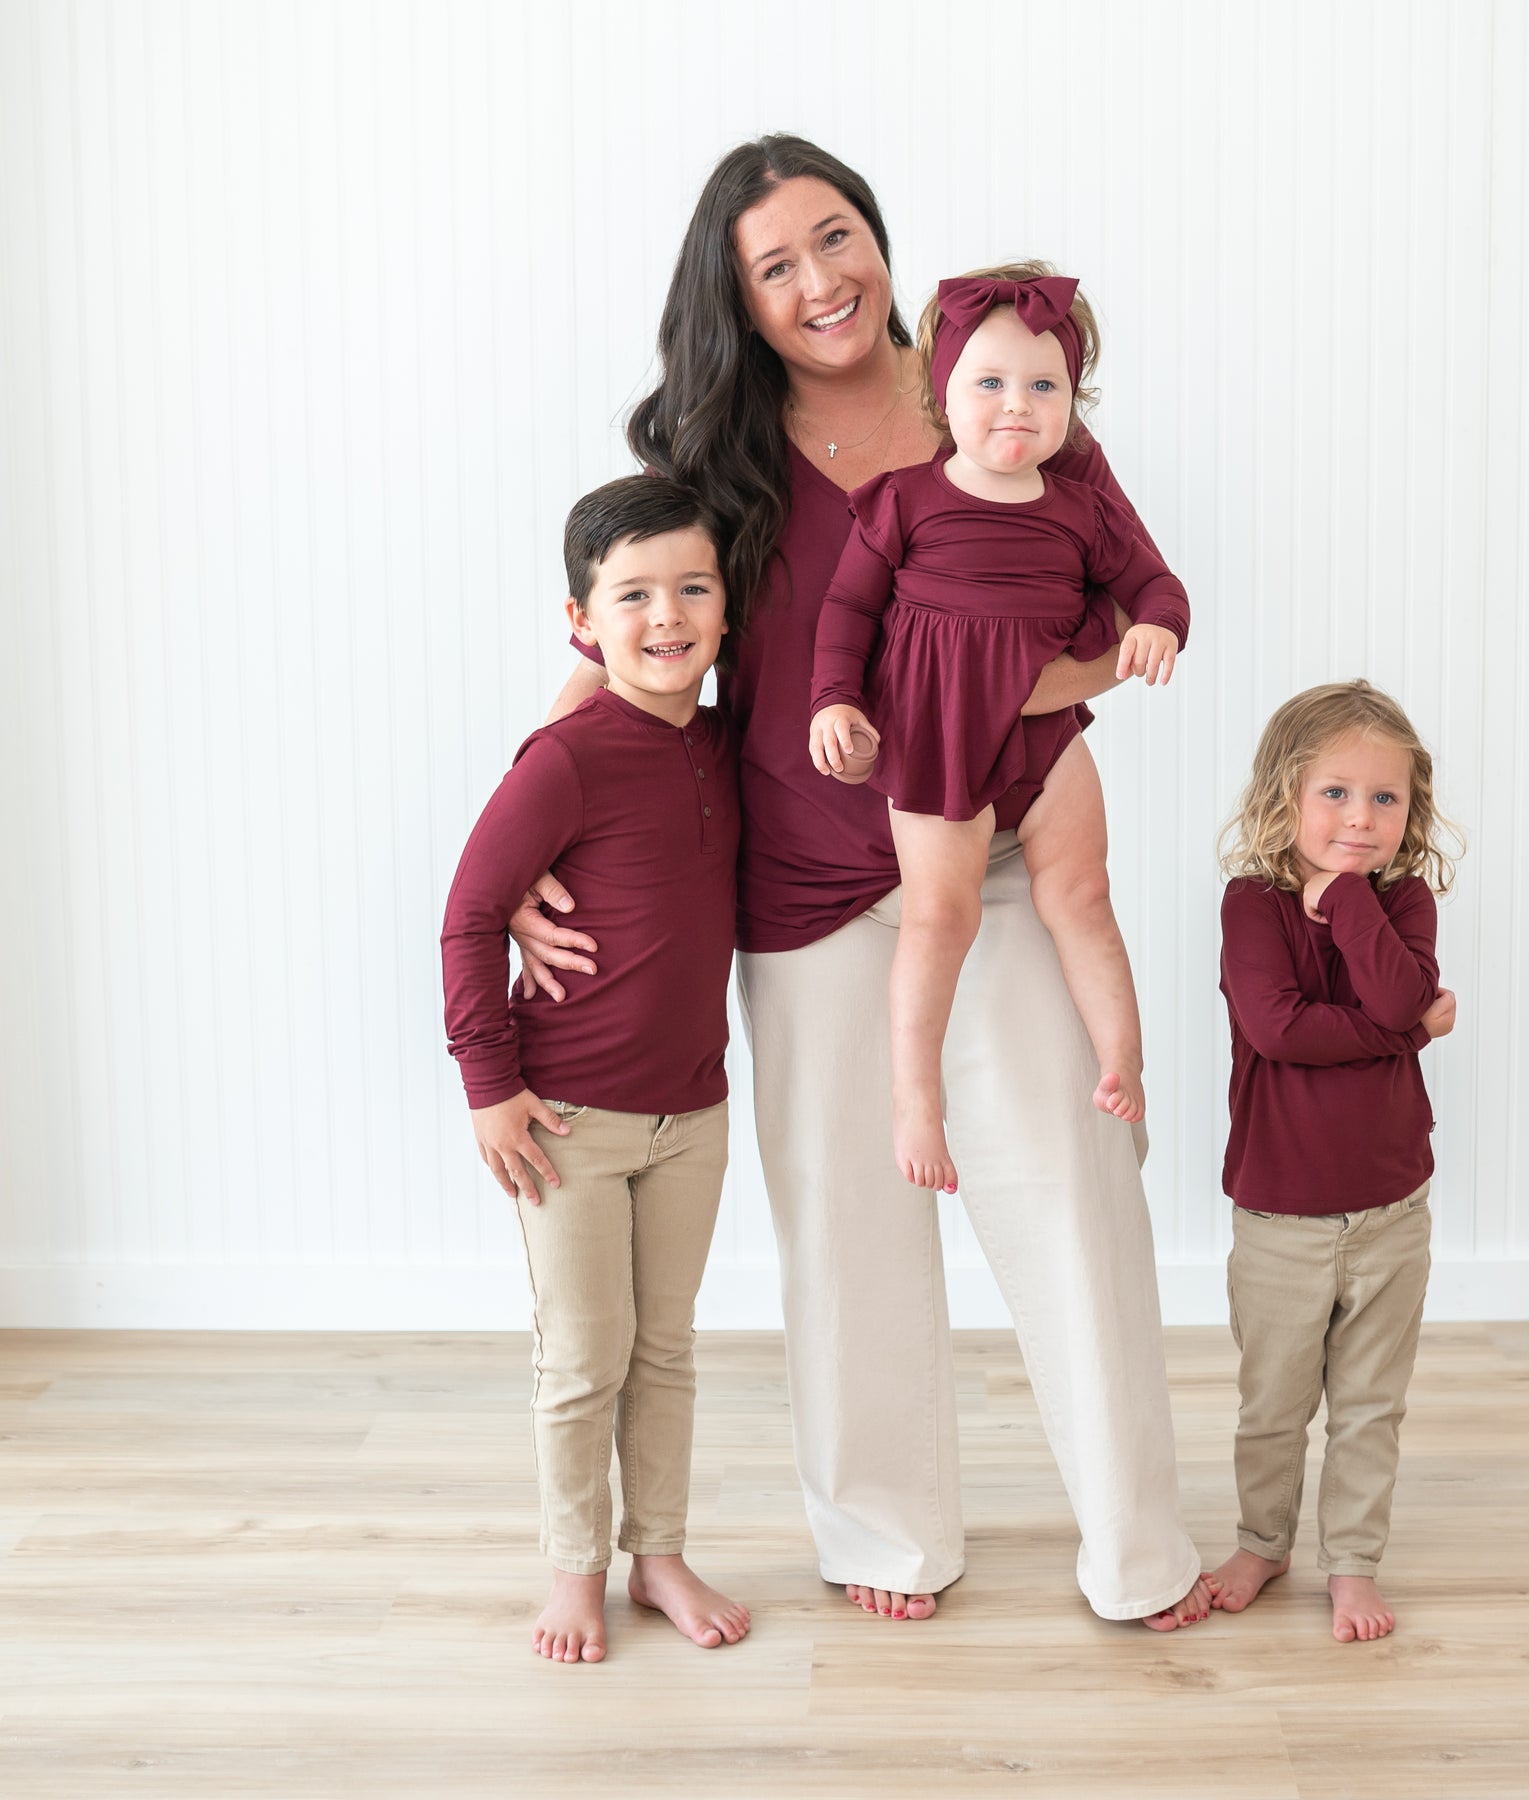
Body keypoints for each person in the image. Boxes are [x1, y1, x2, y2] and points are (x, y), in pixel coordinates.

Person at [512, 136, 1211, 1631]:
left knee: (1074, 1191)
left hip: (1006, 858)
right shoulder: (710, 467)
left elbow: (1104, 615)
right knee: (845, 1220)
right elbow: (621, 658)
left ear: (880, 238)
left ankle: (1137, 1549)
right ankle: (888, 1531)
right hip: (806, 889)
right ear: (741, 301)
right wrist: (522, 852)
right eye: (778, 266)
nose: (822, 281)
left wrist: (1017, 693)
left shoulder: (996, 392)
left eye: (839, 239)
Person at [441, 477, 750, 1664]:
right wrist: (491, 1086)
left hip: (696, 1113)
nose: (666, 615)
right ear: (582, 620)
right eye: (633, 595)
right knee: (583, 1356)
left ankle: (657, 1554)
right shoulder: (567, 757)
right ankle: (574, 1571)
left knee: (664, 1345)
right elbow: (470, 915)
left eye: (691, 588)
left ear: (727, 609)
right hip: (564, 1116)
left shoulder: (724, 744)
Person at [808, 267, 1186, 1193]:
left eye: (1043, 386)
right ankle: (916, 1097)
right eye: (989, 383)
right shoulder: (904, 499)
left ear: (1072, 403)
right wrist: (834, 701)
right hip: (935, 740)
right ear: (942, 393)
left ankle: (1123, 1062)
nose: (1016, 405)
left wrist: (1153, 626)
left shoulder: (1084, 511)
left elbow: (1159, 586)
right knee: (942, 914)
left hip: (1047, 744)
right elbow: (847, 611)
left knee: (1084, 895)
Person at [1201, 679, 1462, 1643]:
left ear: (1410, 810)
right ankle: (1263, 1540)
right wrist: (1410, 1032)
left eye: (1385, 799)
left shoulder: (1404, 903)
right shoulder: (1250, 906)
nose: (1361, 817)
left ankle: (1351, 1561)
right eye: (1336, 794)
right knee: (1273, 1404)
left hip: (1394, 1209)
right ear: (1286, 795)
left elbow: (1396, 996)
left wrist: (1349, 899)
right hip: (1280, 1215)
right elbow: (1279, 1030)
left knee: (1367, 1406)